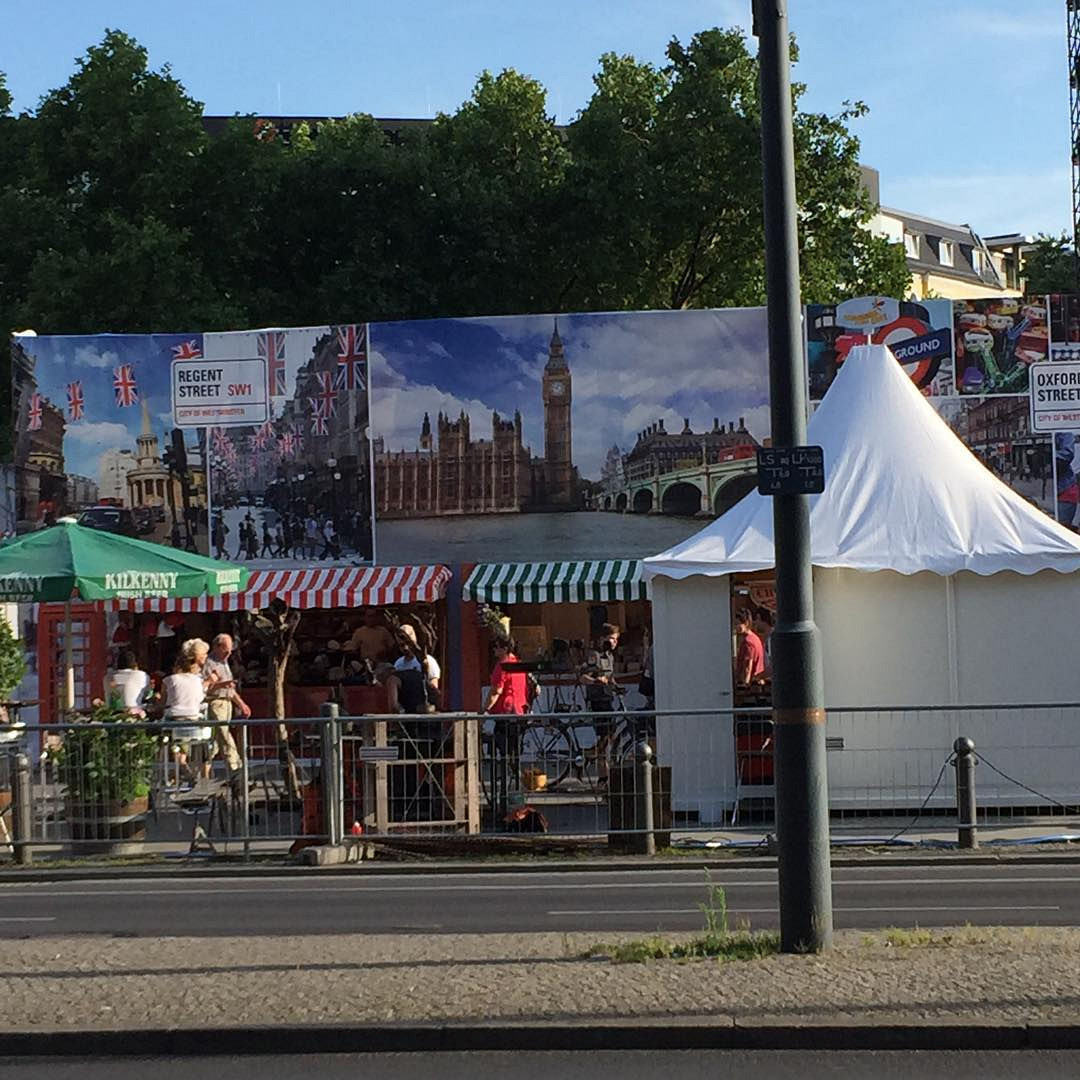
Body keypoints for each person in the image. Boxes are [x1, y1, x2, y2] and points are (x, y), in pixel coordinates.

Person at [162, 638, 213, 782]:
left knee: (171, 739)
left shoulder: (169, 680)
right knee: (202, 738)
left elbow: (163, 703)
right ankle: (198, 774)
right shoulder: (198, 681)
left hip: (174, 722)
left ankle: (181, 767)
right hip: (194, 722)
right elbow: (200, 699)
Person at [202, 633, 250, 776]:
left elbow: (230, 688)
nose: (229, 653)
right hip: (216, 702)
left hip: (227, 702)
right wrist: (222, 684)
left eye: (230, 650)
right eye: (225, 649)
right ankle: (236, 769)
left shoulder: (224, 663)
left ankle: (202, 772)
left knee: (216, 742)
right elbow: (205, 687)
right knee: (224, 735)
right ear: (216, 647)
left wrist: (241, 704)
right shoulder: (209, 663)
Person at [388, 624, 441, 714]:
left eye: (408, 643)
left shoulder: (429, 661)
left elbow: (434, 688)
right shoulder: (398, 664)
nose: (405, 648)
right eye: (401, 645)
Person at [734, 608, 767, 688]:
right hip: (758, 681)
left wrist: (745, 685)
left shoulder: (748, 642)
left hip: (752, 683)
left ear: (746, 623)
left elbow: (748, 666)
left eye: (737, 624)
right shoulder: (755, 638)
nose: (735, 627)